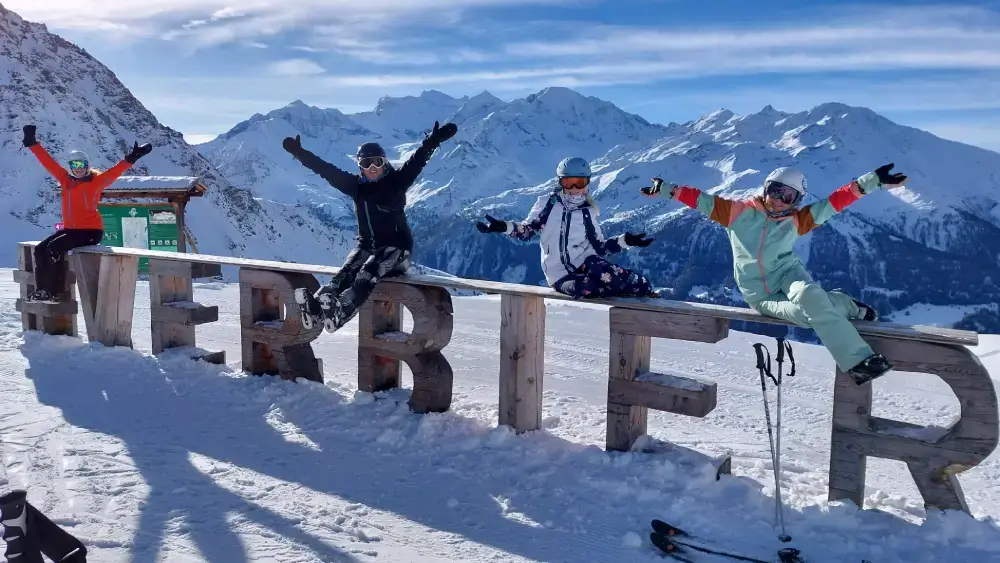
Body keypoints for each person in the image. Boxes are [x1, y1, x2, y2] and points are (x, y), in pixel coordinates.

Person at [640, 163, 908, 385]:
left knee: (810, 294)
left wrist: (871, 180)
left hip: (788, 273)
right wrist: (666, 189)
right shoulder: (737, 213)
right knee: (807, 316)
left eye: (788, 197)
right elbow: (699, 199)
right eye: (776, 191)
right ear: (765, 189)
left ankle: (859, 362)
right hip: (758, 294)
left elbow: (835, 202)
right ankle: (847, 305)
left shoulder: (797, 220)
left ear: (796, 201)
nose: (779, 201)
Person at [283, 120, 458, 332]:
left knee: (368, 272)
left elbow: (417, 161)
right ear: (360, 166)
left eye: (377, 162)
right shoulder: (355, 187)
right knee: (345, 273)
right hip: (367, 245)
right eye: (366, 164)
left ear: (384, 163)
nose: (372, 168)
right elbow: (325, 170)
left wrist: (432, 141)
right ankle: (316, 307)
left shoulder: (397, 181)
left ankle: (342, 312)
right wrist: (300, 154)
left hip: (397, 249)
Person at [476, 156, 656, 299]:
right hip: (560, 275)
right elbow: (527, 231)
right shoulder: (549, 204)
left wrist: (626, 240)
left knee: (605, 272)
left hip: (586, 263)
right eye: (569, 182)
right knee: (587, 288)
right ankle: (616, 286)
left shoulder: (587, 212)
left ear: (588, 183)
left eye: (580, 182)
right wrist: (503, 227)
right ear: (560, 182)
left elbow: (600, 247)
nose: (575, 188)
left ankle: (640, 286)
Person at [21, 124, 152, 302]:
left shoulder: (96, 182)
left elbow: (115, 171)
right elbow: (49, 163)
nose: (79, 168)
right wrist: (33, 144)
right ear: (71, 167)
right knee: (40, 249)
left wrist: (132, 157)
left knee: (54, 248)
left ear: (87, 166)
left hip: (90, 231)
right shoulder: (66, 181)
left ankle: (55, 291)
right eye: (75, 165)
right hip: (71, 230)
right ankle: (43, 290)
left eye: (82, 164)